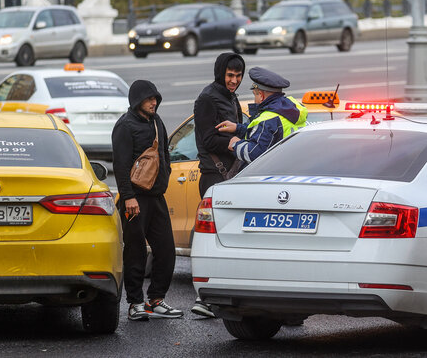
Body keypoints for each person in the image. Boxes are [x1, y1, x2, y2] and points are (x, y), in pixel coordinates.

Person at [112, 80, 182, 321]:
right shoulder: (125, 125)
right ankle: (135, 303)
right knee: (135, 252)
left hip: (156, 197)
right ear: (137, 101)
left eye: (156, 99)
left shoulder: (156, 121)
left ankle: (156, 300)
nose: (154, 102)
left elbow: (164, 152)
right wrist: (129, 197)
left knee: (166, 250)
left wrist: (166, 175)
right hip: (135, 199)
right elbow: (120, 166)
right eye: (149, 99)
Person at [190, 52, 247, 318]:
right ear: (220, 73)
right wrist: (235, 141)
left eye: (238, 76)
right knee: (215, 239)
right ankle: (205, 299)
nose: (234, 80)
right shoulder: (207, 99)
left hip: (232, 176)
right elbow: (206, 138)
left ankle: (228, 298)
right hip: (215, 176)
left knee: (233, 241)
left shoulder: (230, 97)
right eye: (230, 75)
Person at [218, 67, 307, 165]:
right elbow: (269, 134)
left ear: (261, 95)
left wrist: (236, 144)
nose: (254, 99)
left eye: (255, 95)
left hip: (272, 173)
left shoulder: (267, 120)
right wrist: (238, 128)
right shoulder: (290, 108)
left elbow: (253, 154)